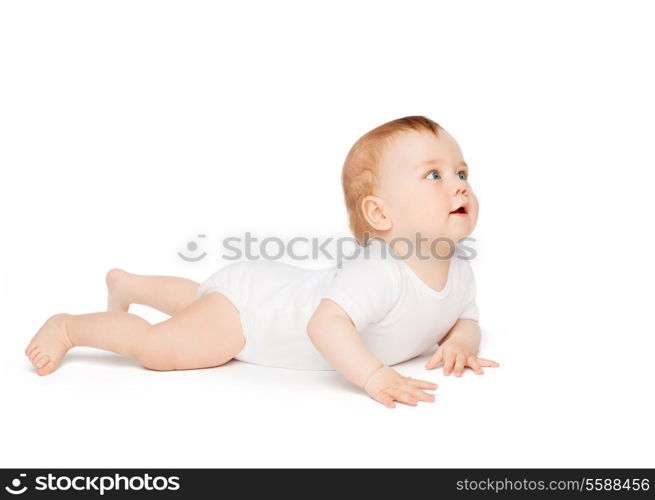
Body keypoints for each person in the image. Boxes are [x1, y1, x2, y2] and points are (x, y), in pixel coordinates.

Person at [24, 115, 499, 408]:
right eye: (433, 175)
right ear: (379, 213)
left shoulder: (458, 268)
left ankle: (128, 285)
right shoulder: (380, 272)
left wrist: (461, 341)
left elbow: (464, 316)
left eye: (461, 172)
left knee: (204, 297)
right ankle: (69, 327)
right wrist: (373, 376)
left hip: (266, 290)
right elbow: (325, 326)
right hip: (252, 321)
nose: (459, 185)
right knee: (164, 348)